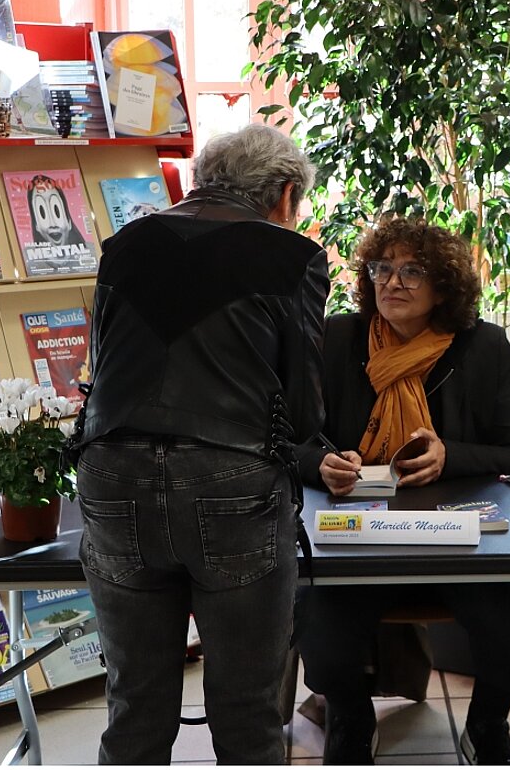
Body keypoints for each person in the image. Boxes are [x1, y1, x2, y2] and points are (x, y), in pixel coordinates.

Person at [74, 124, 328, 764]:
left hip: (111, 476)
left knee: (134, 705)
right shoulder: (291, 257)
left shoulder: (126, 245)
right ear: (285, 194)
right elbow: (302, 414)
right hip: (228, 482)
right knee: (245, 712)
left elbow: (101, 371)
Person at [294, 216, 510, 765]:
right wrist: (321, 463)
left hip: (459, 533)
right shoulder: (338, 340)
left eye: (412, 271)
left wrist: (451, 454)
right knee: (316, 622)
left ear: (445, 286)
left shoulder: (484, 346)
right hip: (358, 534)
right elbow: (293, 443)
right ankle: (351, 719)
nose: (392, 282)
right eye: (382, 268)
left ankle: (487, 726)